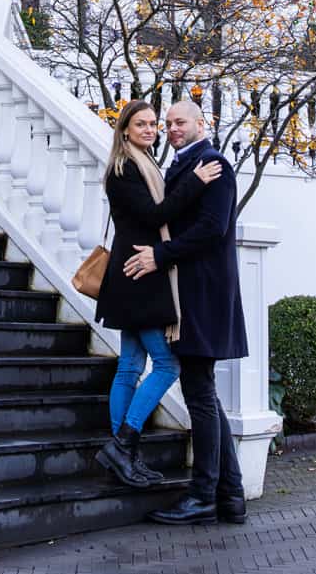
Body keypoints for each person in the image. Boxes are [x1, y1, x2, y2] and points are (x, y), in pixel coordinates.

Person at [123, 96, 248, 524]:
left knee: (199, 395)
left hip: (202, 295)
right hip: (190, 294)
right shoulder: (185, 165)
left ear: (201, 123)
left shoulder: (213, 163)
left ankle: (203, 496)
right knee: (203, 392)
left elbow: (213, 228)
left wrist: (161, 255)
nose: (173, 129)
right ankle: (230, 496)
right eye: (169, 123)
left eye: (181, 122)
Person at [94, 98, 222, 488]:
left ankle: (123, 457)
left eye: (154, 124)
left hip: (135, 273)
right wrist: (195, 183)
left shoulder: (144, 163)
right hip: (138, 275)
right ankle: (124, 444)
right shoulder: (124, 169)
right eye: (141, 124)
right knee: (166, 365)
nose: (150, 130)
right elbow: (155, 215)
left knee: (131, 365)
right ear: (125, 131)